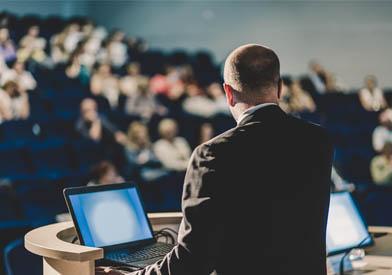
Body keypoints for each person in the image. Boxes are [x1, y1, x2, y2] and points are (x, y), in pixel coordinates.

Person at [97, 44, 333, 275]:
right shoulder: (318, 141)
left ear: (228, 93)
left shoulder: (214, 153)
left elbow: (192, 263)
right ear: (280, 88)